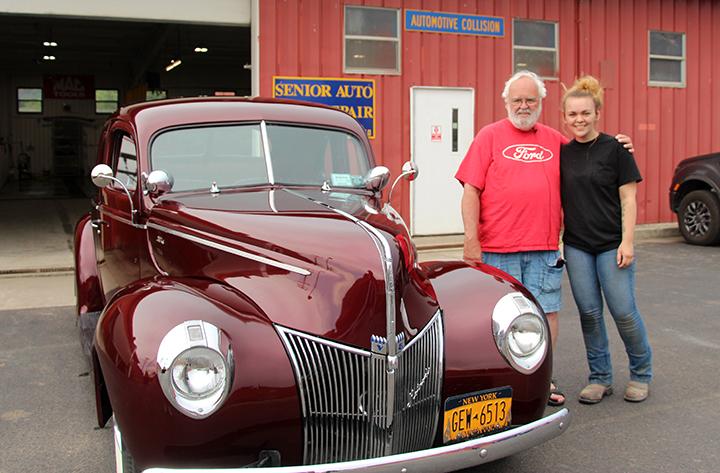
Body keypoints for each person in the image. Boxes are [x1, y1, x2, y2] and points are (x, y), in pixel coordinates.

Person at [455, 70, 632, 407]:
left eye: (530, 100)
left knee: (545, 314)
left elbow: (590, 151)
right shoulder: (489, 137)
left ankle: (541, 378)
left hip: (544, 248)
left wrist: (619, 146)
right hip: (496, 248)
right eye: (517, 100)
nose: (524, 106)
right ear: (506, 102)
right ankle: (501, 381)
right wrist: (470, 239)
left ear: (540, 103)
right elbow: (470, 192)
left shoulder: (554, 140)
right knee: (496, 318)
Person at [560, 75, 652, 404]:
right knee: (589, 314)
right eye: (572, 114)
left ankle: (641, 373)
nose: (579, 120)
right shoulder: (563, 153)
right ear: (564, 117)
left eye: (585, 113)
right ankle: (600, 378)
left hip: (612, 244)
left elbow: (629, 199)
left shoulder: (616, 149)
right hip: (578, 245)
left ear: (597, 112)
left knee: (624, 311)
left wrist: (628, 242)